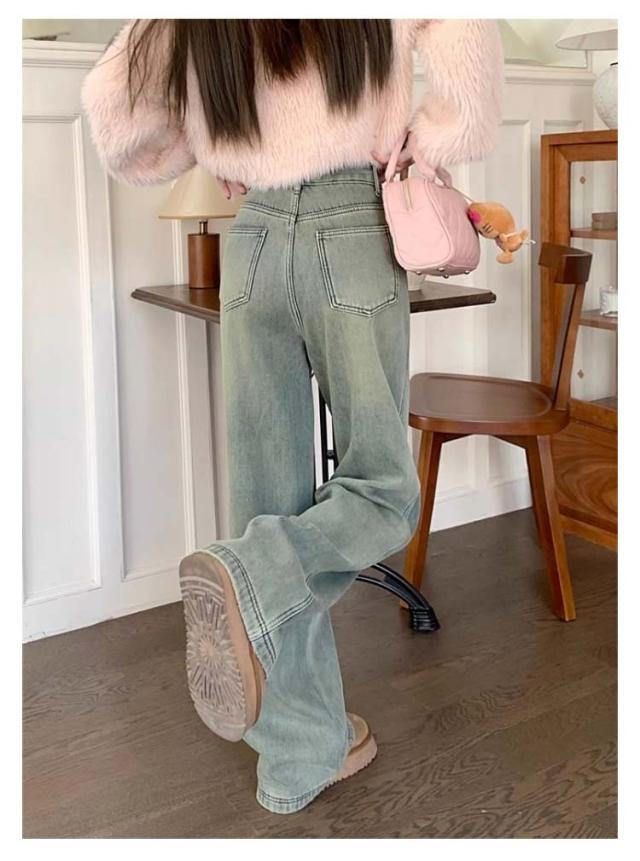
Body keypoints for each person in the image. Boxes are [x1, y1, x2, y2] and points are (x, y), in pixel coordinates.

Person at [82, 19, 503, 815]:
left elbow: (120, 118)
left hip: (253, 236)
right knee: (382, 490)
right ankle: (249, 579)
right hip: (353, 224)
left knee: (268, 506)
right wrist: (425, 140)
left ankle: (299, 752)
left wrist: (215, 143)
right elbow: (466, 50)